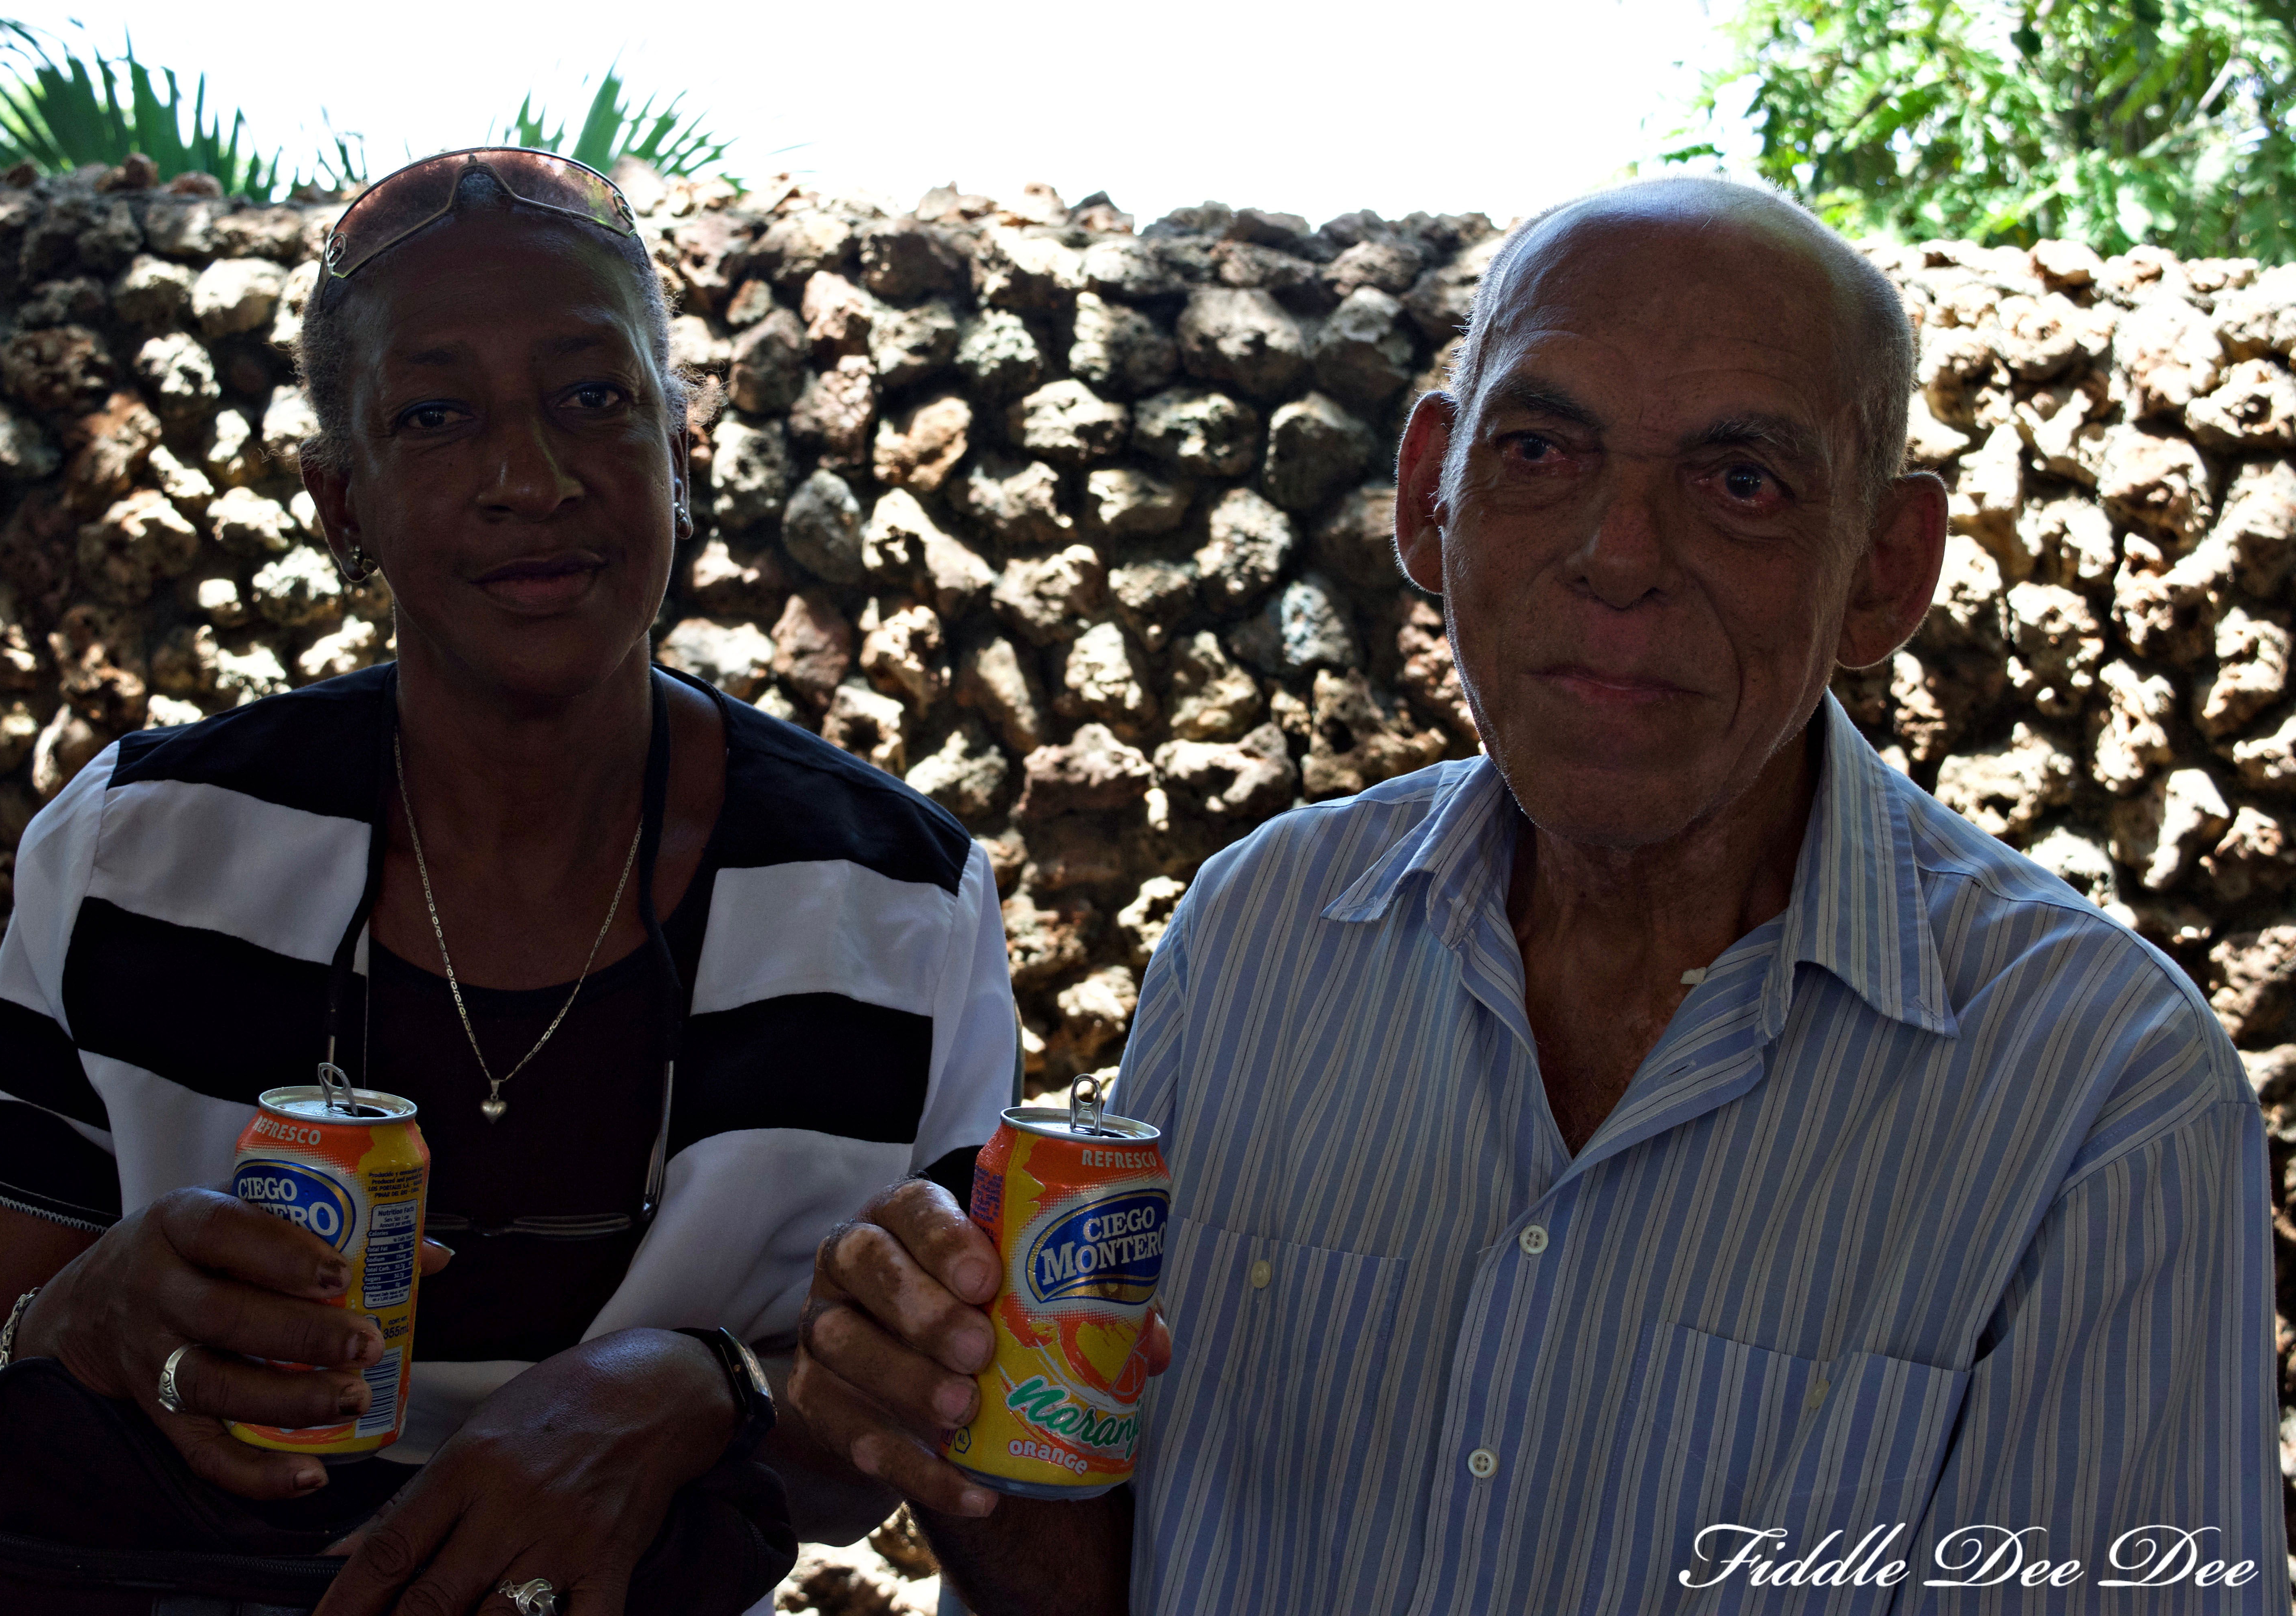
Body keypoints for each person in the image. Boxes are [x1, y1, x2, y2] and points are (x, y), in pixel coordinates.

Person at [792, 176, 2291, 1613]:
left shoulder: (2100, 1098)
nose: (1619, 557)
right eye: (1541, 453)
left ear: (1885, 576)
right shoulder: (1257, 946)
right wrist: (958, 1436)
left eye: (1742, 481)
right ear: (1431, 497)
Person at [0, 149, 1016, 1616]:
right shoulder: (140, 855)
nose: (530, 480)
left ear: (686, 450)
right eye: (435, 416)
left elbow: (898, 1439)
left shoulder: (894, 908)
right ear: (339, 504)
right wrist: (81, 1327)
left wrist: (698, 1394)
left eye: (593, 399)